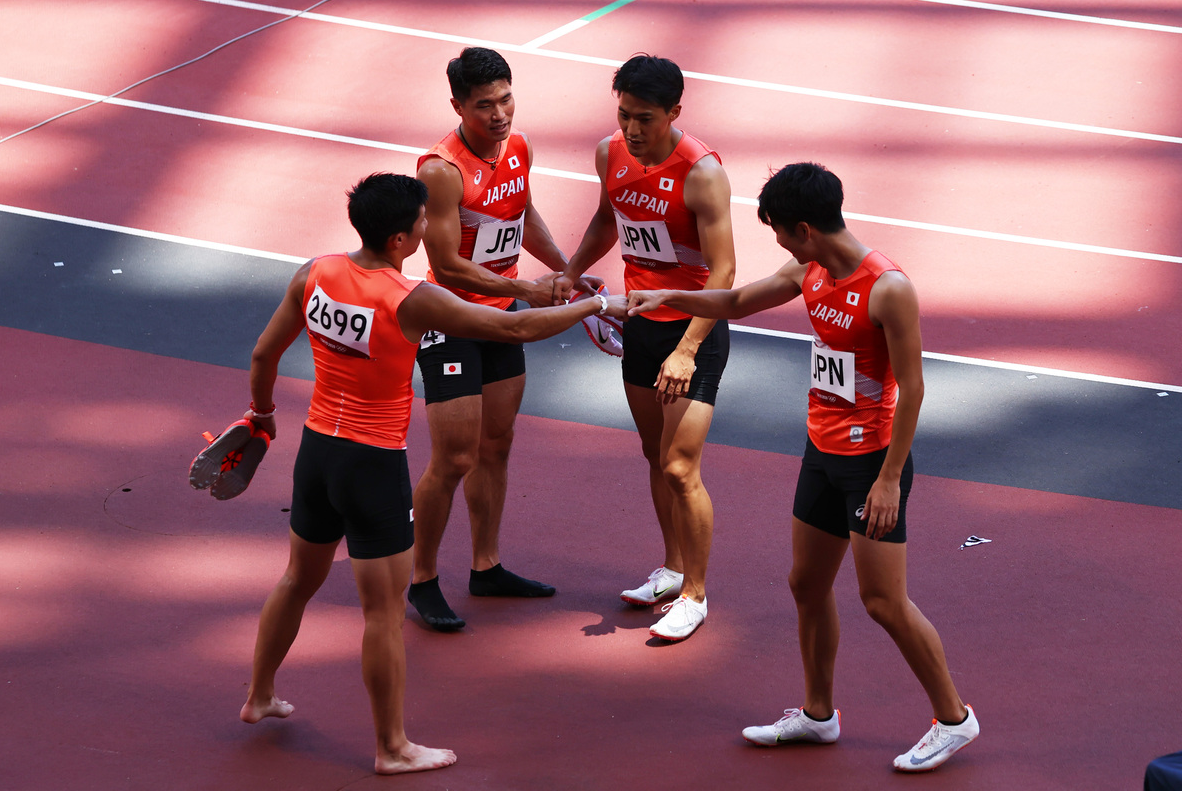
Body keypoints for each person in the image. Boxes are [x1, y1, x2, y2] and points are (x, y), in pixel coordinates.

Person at [238, 173, 625, 774]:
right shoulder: (410, 297)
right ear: (399, 238)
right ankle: (392, 748)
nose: (428, 227)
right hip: (372, 464)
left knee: (295, 580)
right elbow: (514, 327)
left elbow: (263, 354)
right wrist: (595, 305)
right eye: (421, 221)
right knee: (383, 615)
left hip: (317, 452)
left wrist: (262, 417)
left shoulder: (313, 272)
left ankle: (259, 694)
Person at [626, 162, 978, 771]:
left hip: (872, 463)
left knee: (883, 601)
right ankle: (819, 716)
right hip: (821, 451)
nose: (780, 243)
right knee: (806, 585)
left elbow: (915, 389)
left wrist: (891, 478)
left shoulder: (888, 288)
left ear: (807, 227)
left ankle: (954, 718)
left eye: (782, 232)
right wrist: (670, 295)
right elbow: (737, 299)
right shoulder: (807, 267)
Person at [409, 47, 600, 631]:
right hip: (453, 321)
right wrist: (523, 288)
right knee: (455, 457)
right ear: (458, 106)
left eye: (506, 99)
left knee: (497, 445)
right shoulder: (440, 171)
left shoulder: (518, 149)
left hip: (501, 319)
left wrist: (565, 270)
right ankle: (421, 580)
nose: (499, 114)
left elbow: (522, 212)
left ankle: (486, 566)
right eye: (484, 105)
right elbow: (445, 263)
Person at [554, 55, 736, 642]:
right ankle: (672, 566)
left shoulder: (701, 173)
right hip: (641, 322)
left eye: (646, 119)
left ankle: (696, 594)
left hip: (692, 331)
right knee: (655, 454)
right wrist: (571, 268)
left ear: (675, 113)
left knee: (683, 467)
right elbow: (609, 217)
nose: (632, 130)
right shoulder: (611, 153)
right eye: (625, 114)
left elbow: (725, 270)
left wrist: (685, 350)